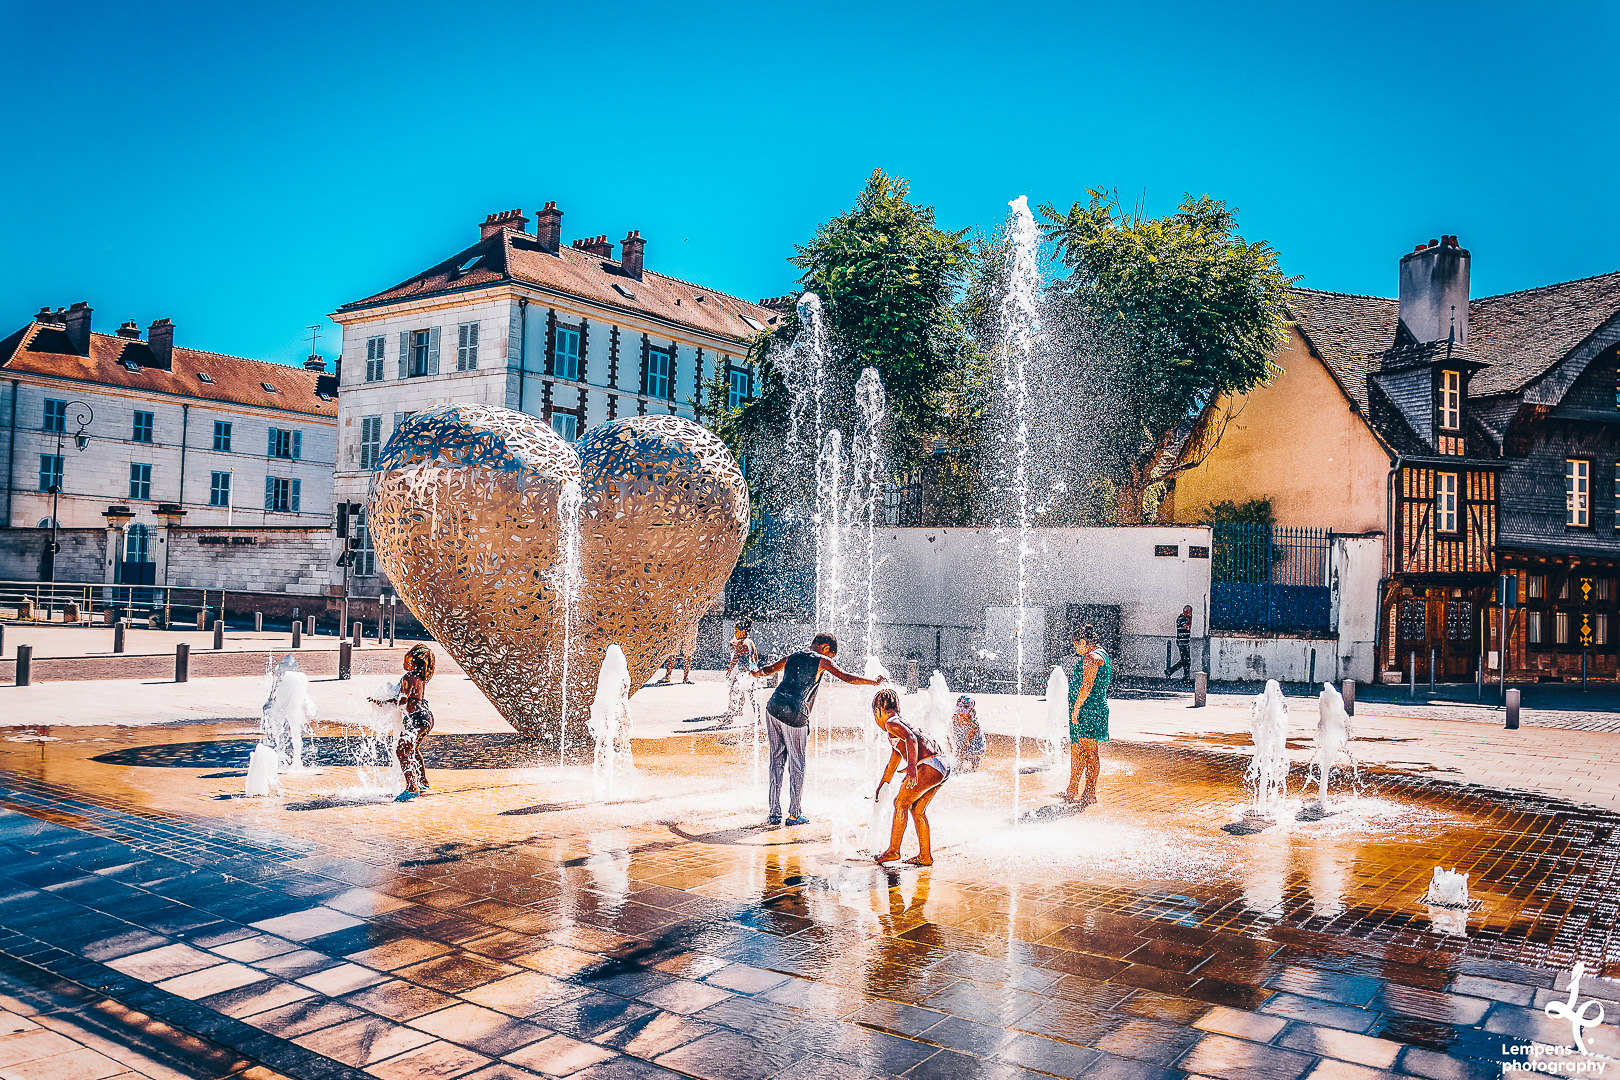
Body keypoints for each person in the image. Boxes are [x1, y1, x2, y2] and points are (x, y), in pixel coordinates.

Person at [752, 631, 882, 826]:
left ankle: (774, 813)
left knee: (776, 760)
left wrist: (756, 673)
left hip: (773, 707)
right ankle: (794, 814)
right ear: (826, 648)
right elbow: (846, 677)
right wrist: (873, 682)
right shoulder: (822, 660)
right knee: (797, 763)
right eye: (831, 655)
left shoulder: (792, 656)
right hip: (795, 714)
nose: (830, 659)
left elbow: (769, 669)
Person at [871, 688, 950, 866]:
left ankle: (893, 851)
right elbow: (893, 764)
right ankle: (925, 856)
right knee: (917, 809)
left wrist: (912, 768)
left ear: (878, 711)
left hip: (928, 765)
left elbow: (911, 739)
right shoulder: (898, 728)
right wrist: (882, 785)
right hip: (942, 765)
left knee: (900, 803)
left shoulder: (891, 723)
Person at [371, 644, 436, 801]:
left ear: (413, 661)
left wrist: (388, 703)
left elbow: (402, 702)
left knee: (401, 749)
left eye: (407, 658)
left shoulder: (408, 677)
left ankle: (412, 788)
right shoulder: (420, 678)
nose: (404, 661)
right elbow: (406, 700)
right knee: (412, 749)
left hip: (417, 719)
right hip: (426, 718)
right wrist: (385, 702)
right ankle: (423, 782)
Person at [1061, 625, 1112, 807]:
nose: (1076, 650)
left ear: (1083, 642)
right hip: (1087, 709)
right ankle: (1072, 789)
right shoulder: (1100, 654)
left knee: (1090, 752)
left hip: (1089, 710)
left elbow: (1087, 686)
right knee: (1077, 749)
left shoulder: (1091, 657)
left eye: (1077, 645)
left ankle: (1090, 792)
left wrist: (1076, 709)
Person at [721, 619, 759, 728]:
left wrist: (729, 671)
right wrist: (755, 669)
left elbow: (735, 660)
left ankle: (729, 717)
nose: (735, 633)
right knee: (753, 697)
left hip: (743, 674)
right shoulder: (750, 642)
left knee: (733, 693)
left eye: (736, 631)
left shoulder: (741, 644)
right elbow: (756, 657)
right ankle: (758, 718)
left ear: (742, 632)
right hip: (752, 672)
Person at [951, 695, 985, 771]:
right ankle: (960, 765)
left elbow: (967, 742)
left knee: (965, 754)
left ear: (970, 710)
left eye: (964, 711)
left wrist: (960, 753)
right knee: (958, 751)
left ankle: (974, 764)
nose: (961, 713)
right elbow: (952, 733)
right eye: (959, 710)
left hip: (974, 744)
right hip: (962, 739)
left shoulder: (973, 725)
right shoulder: (954, 718)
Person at [1167, 605, 1194, 679]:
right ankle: (1170, 671)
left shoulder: (1186, 618)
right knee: (1184, 660)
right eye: (1189, 612)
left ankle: (1186, 677)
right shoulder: (1181, 618)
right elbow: (1187, 627)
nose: (1190, 614)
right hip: (1181, 643)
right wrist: (1190, 619)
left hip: (1186, 642)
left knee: (1187, 661)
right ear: (1186, 611)